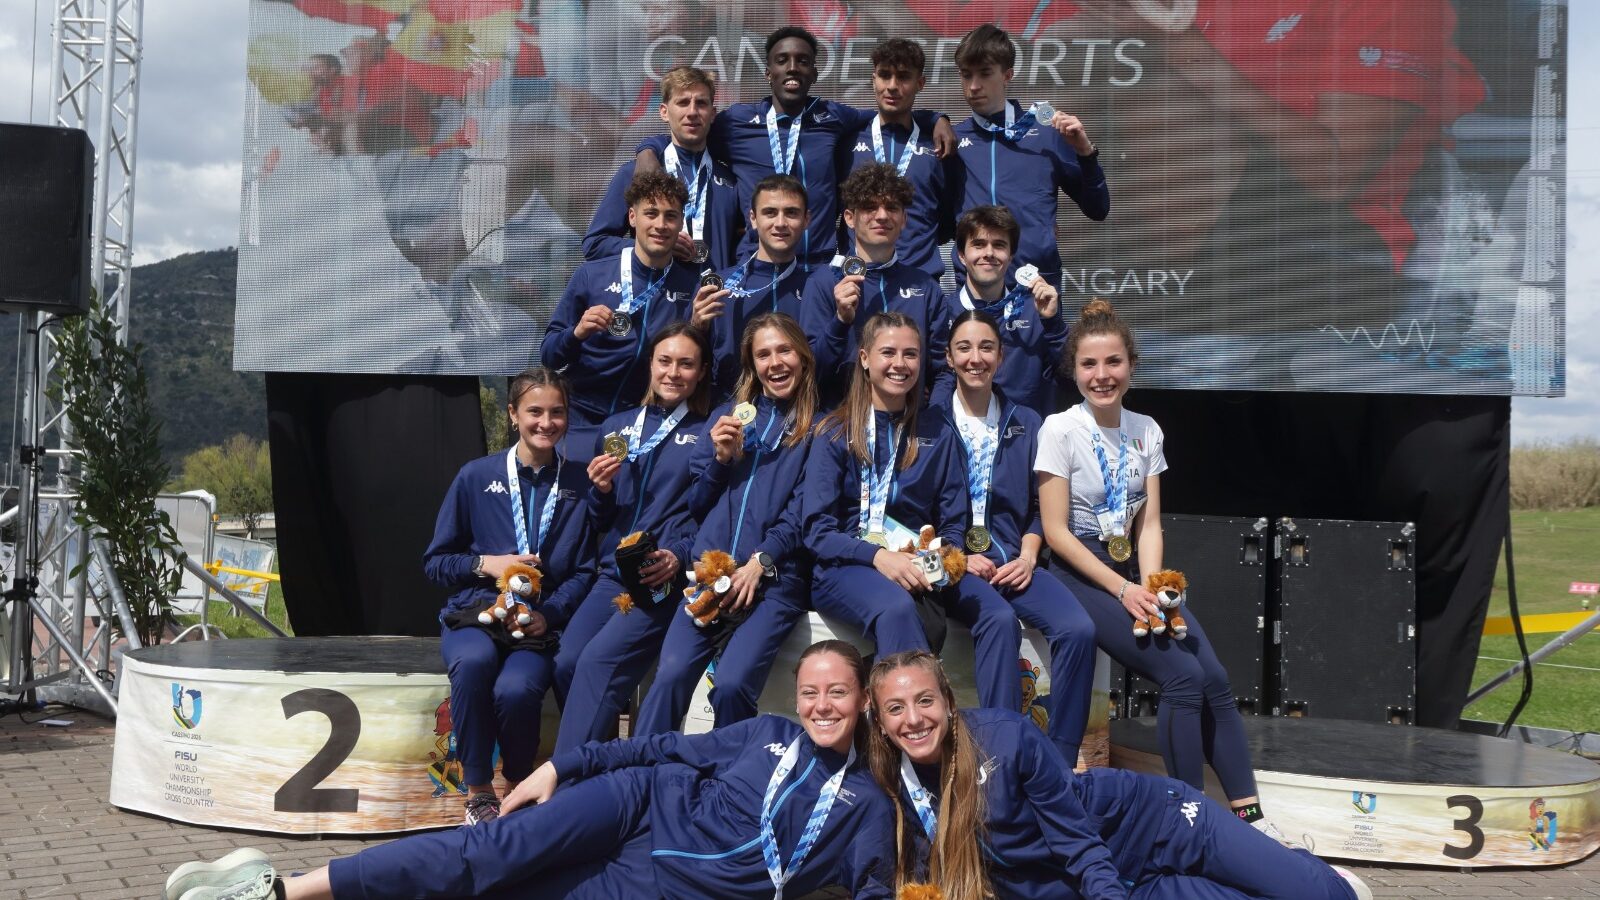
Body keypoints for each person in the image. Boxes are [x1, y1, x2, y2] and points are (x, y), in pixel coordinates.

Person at [161, 641, 897, 900]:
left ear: (862, 700)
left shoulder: (867, 804)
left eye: (838, 693)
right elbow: (653, 749)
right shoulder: (767, 732)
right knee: (487, 852)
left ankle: (278, 884)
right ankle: (280, 892)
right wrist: (558, 767)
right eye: (811, 692)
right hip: (639, 803)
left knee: (500, 892)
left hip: (657, 886)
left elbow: (874, 889)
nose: (822, 705)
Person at [1035, 299, 1276, 834]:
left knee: (1215, 678)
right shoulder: (1059, 429)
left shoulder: (1147, 429)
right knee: (1183, 678)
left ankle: (1250, 819)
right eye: (1089, 364)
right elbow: (1055, 533)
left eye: (1113, 362)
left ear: (1131, 366)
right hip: (1082, 574)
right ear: (1073, 370)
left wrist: (1151, 588)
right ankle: (1189, 821)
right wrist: (1123, 591)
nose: (1102, 375)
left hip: (1132, 575)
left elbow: (1148, 525)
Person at [865, 650, 1374, 900]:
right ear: (881, 722)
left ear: (949, 702)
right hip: (1125, 885)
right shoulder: (893, 783)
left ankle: (1320, 872)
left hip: (1159, 825)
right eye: (896, 708)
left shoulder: (1005, 737)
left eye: (925, 700)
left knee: (1315, 895)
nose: (914, 719)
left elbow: (1077, 842)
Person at [802, 311, 1021, 713]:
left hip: (922, 562)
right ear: (865, 358)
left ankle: (1002, 734)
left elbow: (952, 522)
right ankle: (907, 735)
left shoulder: (937, 430)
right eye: (888, 353)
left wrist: (937, 559)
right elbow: (817, 531)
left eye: (910, 354)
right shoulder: (834, 431)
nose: (899, 364)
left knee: (999, 616)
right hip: (846, 566)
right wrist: (878, 557)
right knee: (897, 608)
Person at [421, 367, 597, 825]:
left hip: (536, 625)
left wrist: (550, 615)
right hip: (475, 614)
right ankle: (479, 791)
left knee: (517, 690)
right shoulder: (475, 476)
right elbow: (435, 562)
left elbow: (585, 571)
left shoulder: (580, 485)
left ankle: (518, 785)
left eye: (557, 412)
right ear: (513, 414)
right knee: (473, 663)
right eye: (535, 411)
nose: (546, 422)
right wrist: (486, 564)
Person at [636, 313, 821, 733]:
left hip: (774, 582)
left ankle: (727, 768)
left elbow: (804, 512)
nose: (775, 363)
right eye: (763, 354)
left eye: (784, 351)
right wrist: (721, 461)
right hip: (711, 574)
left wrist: (762, 560)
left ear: (803, 357)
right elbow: (698, 504)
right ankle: (641, 767)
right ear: (752, 364)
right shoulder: (728, 417)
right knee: (669, 678)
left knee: (733, 686)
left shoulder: (821, 429)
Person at [635, 26, 955, 268]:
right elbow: (689, 133)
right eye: (782, 61)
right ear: (768, 73)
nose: (792, 67)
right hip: (756, 262)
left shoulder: (833, 116)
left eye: (802, 61)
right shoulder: (737, 122)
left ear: (814, 73)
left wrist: (936, 119)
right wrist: (649, 148)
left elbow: (890, 112)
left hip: (818, 266)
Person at [934, 310, 1097, 764]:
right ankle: (1001, 759)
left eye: (986, 347)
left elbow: (1044, 507)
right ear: (948, 357)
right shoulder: (928, 422)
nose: (976, 358)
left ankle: (1060, 761)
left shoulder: (1028, 422)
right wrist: (955, 556)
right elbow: (917, 509)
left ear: (1001, 356)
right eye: (964, 348)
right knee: (1000, 621)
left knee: (1079, 629)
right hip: (955, 567)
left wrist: (1028, 554)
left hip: (1014, 562)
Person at [552, 321, 713, 754]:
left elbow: (712, 513)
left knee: (596, 662)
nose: (673, 372)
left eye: (686, 364)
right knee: (566, 661)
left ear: (701, 372)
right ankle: (598, 758)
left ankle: (571, 775)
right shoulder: (616, 427)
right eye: (665, 361)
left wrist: (680, 555)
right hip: (612, 574)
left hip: (660, 577)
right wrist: (601, 490)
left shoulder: (706, 431)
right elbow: (601, 517)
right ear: (650, 365)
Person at [539, 170, 701, 450]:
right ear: (632, 217)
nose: (661, 225)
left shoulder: (691, 286)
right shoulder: (591, 275)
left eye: (670, 216)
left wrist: (700, 326)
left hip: (642, 421)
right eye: (651, 213)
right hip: (580, 417)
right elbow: (549, 355)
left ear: (680, 223)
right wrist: (576, 334)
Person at [951, 23, 1109, 289]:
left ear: (1007, 75)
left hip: (1036, 289)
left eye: (985, 73)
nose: (974, 86)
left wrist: (1085, 153)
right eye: (966, 76)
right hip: (974, 290)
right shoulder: (953, 140)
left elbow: (1098, 209)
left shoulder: (1046, 134)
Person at [800, 164, 947, 404]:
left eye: (892, 208)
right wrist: (840, 322)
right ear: (850, 218)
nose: (882, 216)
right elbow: (810, 374)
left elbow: (943, 371)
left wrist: (933, 416)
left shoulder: (925, 287)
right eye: (870, 207)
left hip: (908, 423)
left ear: (904, 219)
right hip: (842, 422)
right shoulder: (823, 282)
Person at [582, 66, 744, 273]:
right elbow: (595, 244)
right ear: (664, 112)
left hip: (715, 291)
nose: (692, 112)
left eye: (701, 103)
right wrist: (651, 246)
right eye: (682, 102)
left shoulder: (730, 178)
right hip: (657, 292)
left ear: (712, 114)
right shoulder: (635, 173)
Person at [933, 205, 1070, 418]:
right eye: (978, 244)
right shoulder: (942, 313)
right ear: (961, 255)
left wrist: (1053, 324)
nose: (988, 253)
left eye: (998, 245)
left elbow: (1069, 375)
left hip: (1024, 435)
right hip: (958, 435)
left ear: (1011, 255)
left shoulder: (1034, 311)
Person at [841, 38, 958, 281]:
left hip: (921, 279)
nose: (892, 86)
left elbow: (947, 220)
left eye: (903, 77)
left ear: (920, 83)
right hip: (859, 279)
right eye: (885, 75)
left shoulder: (938, 144)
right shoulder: (846, 142)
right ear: (874, 79)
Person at [704, 174, 813, 399]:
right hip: (731, 409)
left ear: (806, 220)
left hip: (805, 411)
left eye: (791, 213)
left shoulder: (819, 284)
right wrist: (697, 327)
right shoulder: (718, 285)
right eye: (770, 212)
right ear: (753, 218)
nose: (780, 223)